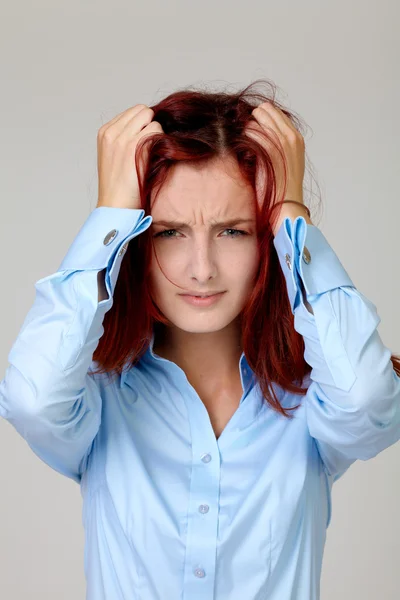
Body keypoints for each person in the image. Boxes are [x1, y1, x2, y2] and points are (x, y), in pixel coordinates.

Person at [1, 80, 400, 600]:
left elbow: (369, 398)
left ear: (266, 241)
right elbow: (30, 398)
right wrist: (111, 216)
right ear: (138, 243)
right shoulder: (99, 399)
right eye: (169, 232)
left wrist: (291, 215)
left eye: (233, 231)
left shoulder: (314, 403)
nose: (201, 270)